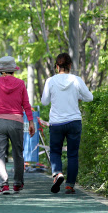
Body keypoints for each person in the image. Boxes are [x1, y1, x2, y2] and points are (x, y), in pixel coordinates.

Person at [41, 52, 93, 194]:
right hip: (74, 121)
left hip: (56, 123)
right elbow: (90, 97)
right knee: (72, 154)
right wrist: (79, 97)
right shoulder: (76, 80)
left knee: (55, 151)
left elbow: (44, 101)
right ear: (70, 65)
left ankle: (58, 173)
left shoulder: (50, 81)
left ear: (57, 67)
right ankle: (69, 185)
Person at [0, 56, 35, 195]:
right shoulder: (20, 83)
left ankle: (4, 185)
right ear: (13, 70)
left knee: (0, 154)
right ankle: (18, 184)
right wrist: (31, 122)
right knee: (18, 154)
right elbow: (26, 104)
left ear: (1, 70)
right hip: (16, 121)